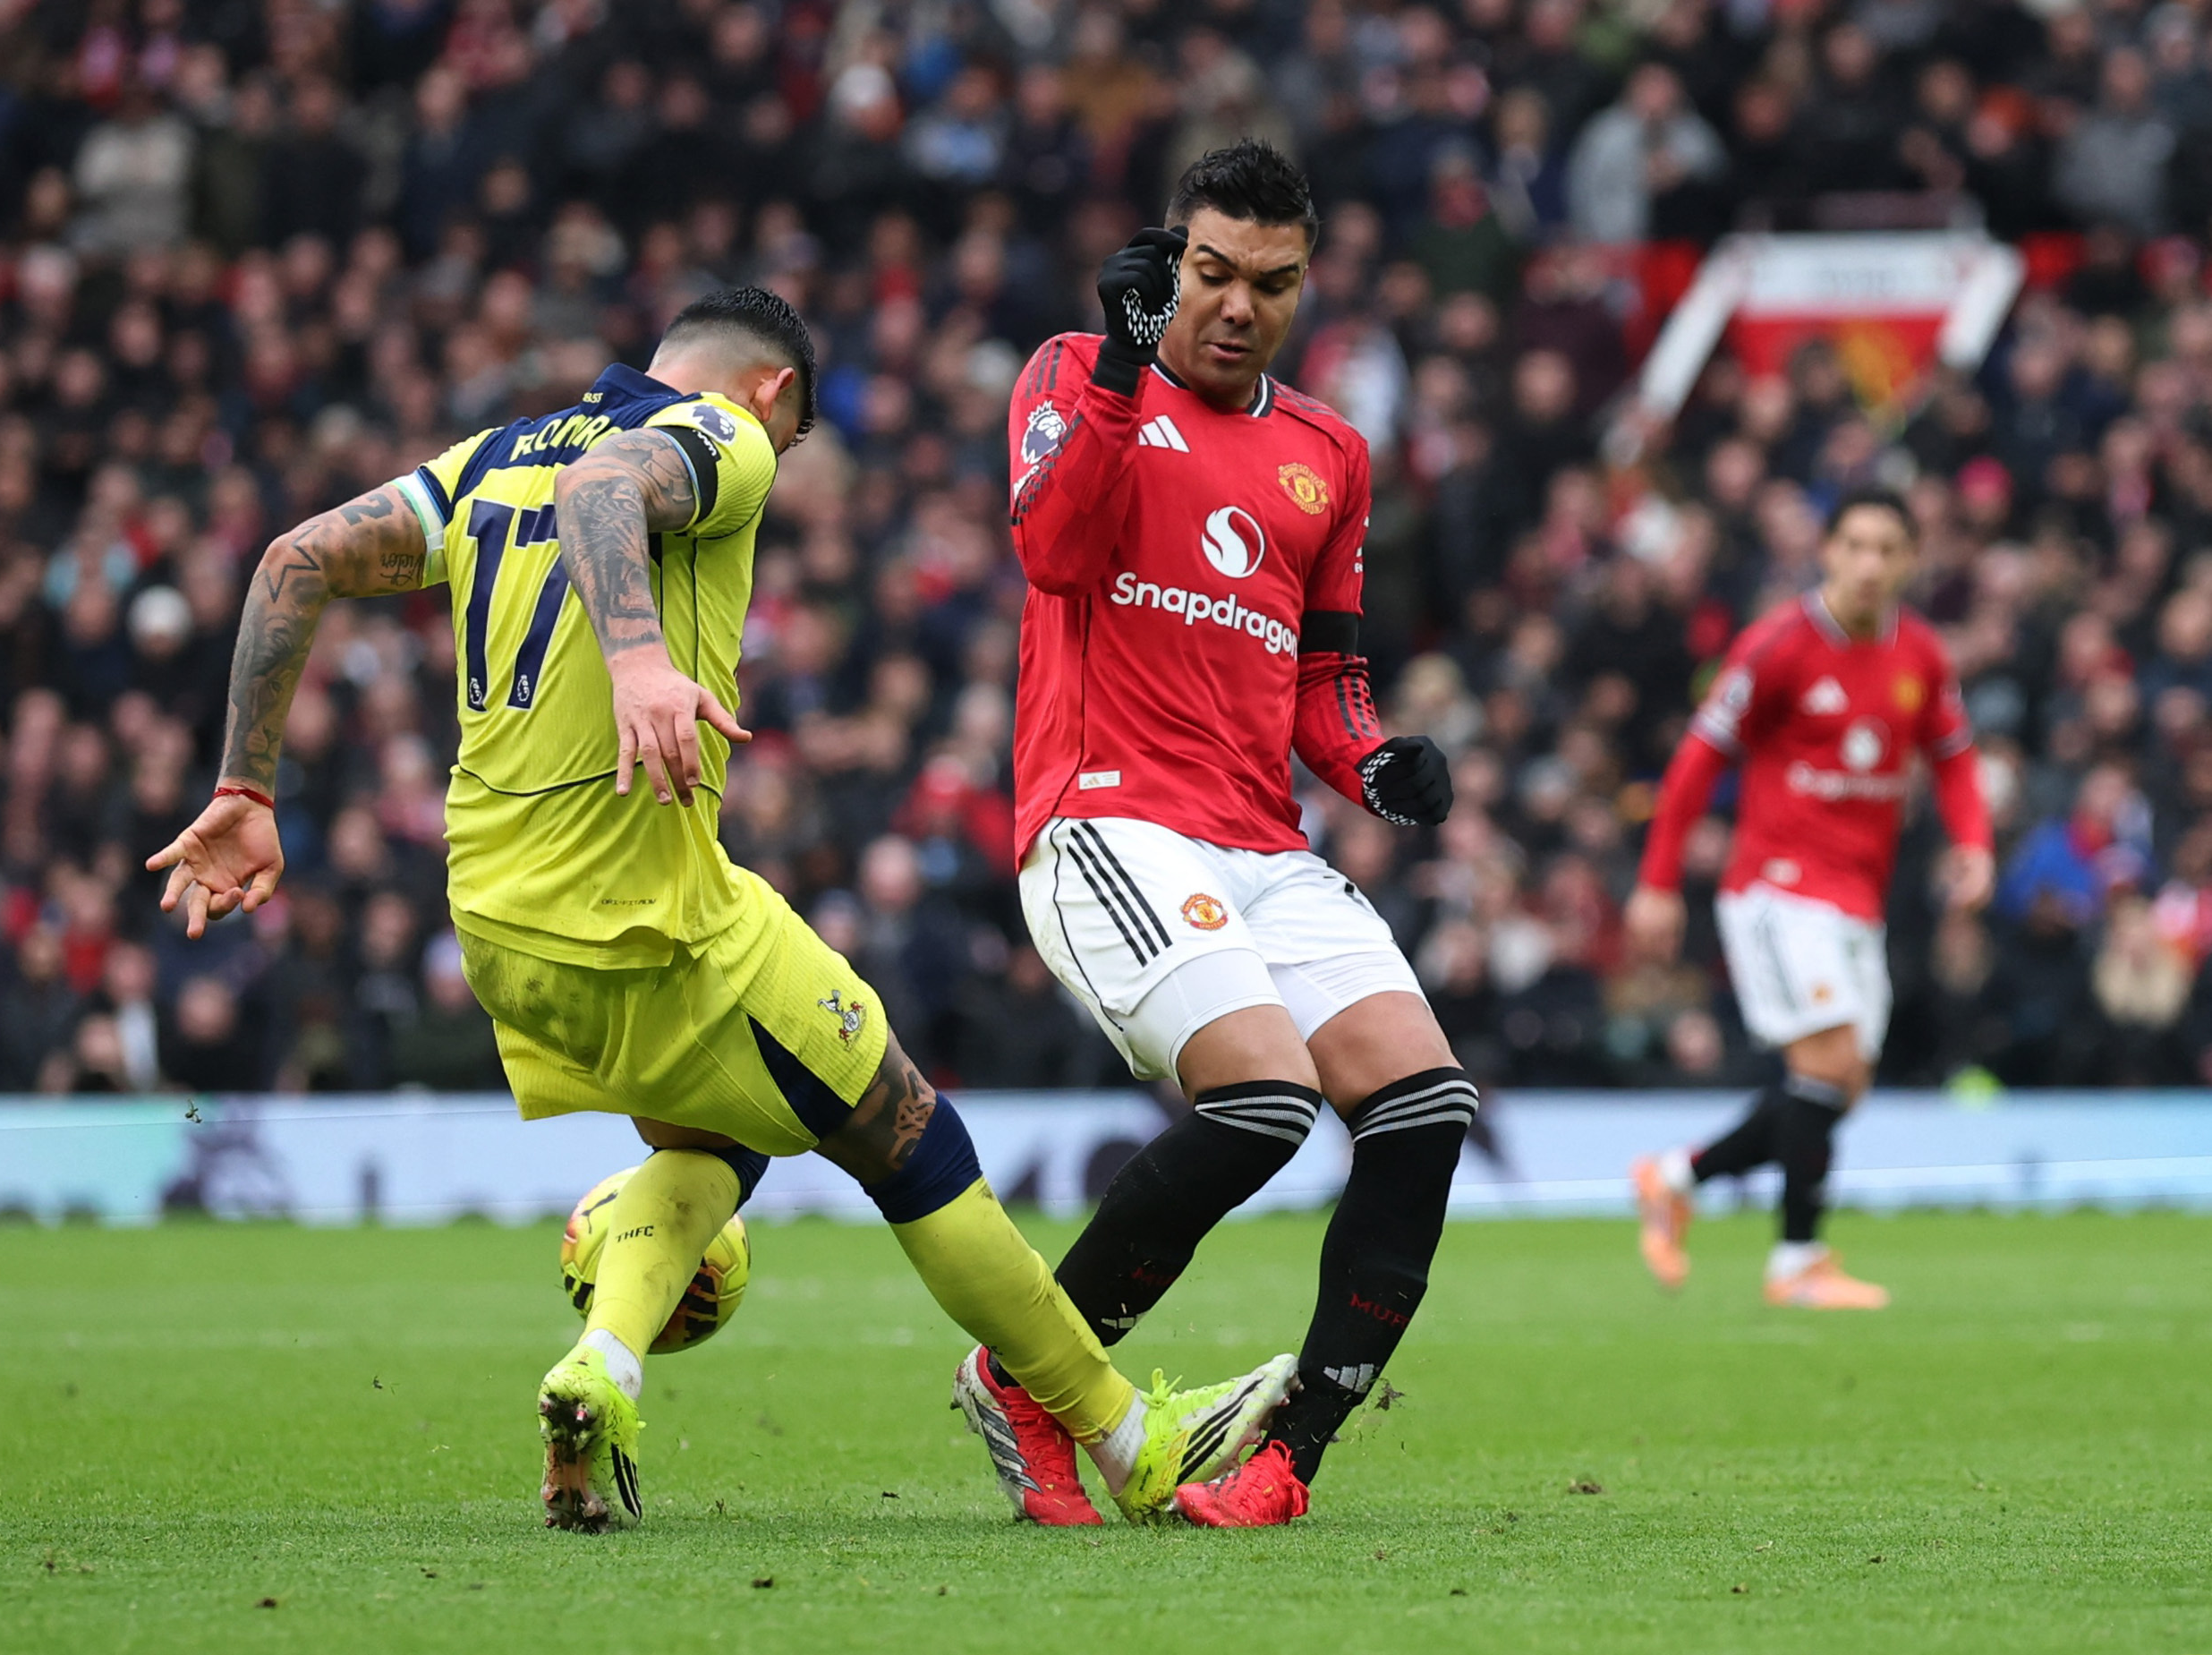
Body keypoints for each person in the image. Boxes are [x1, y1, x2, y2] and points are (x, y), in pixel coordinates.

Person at [146, 287, 1292, 1532]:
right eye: (789, 443)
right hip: (646, 920)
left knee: (715, 1144)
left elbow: (292, 559)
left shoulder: (489, 459)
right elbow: (604, 496)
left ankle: (604, 1365)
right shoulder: (722, 436)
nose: (775, 469)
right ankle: (1128, 1437)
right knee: (908, 1134)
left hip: (494, 926)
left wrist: (244, 786)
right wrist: (641, 661)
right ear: (769, 396)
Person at [988, 140, 1473, 1529]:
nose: (1237, 306)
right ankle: (1026, 1377)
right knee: (1262, 1103)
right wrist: (1121, 369)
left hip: (1261, 843)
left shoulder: (1328, 452)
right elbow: (1050, 555)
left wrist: (1374, 765)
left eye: (1271, 283)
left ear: (1303, 284)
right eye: (1209, 274)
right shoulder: (1072, 372)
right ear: (1168, 262)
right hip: (1105, 819)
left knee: (1424, 1108)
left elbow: (1323, 680)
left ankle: (1284, 1464)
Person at [1625, 489, 1995, 1309]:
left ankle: (1675, 1176)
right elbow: (1695, 760)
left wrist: (1973, 843)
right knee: (1825, 1064)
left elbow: (1955, 757)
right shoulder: (1778, 646)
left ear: (1909, 561)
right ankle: (1795, 1260)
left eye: (1887, 548)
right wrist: (1656, 881)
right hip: (1776, 887)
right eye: (1855, 544)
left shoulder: (1921, 656)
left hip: (1857, 896)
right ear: (1827, 551)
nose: (1869, 564)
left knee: (1839, 1084)